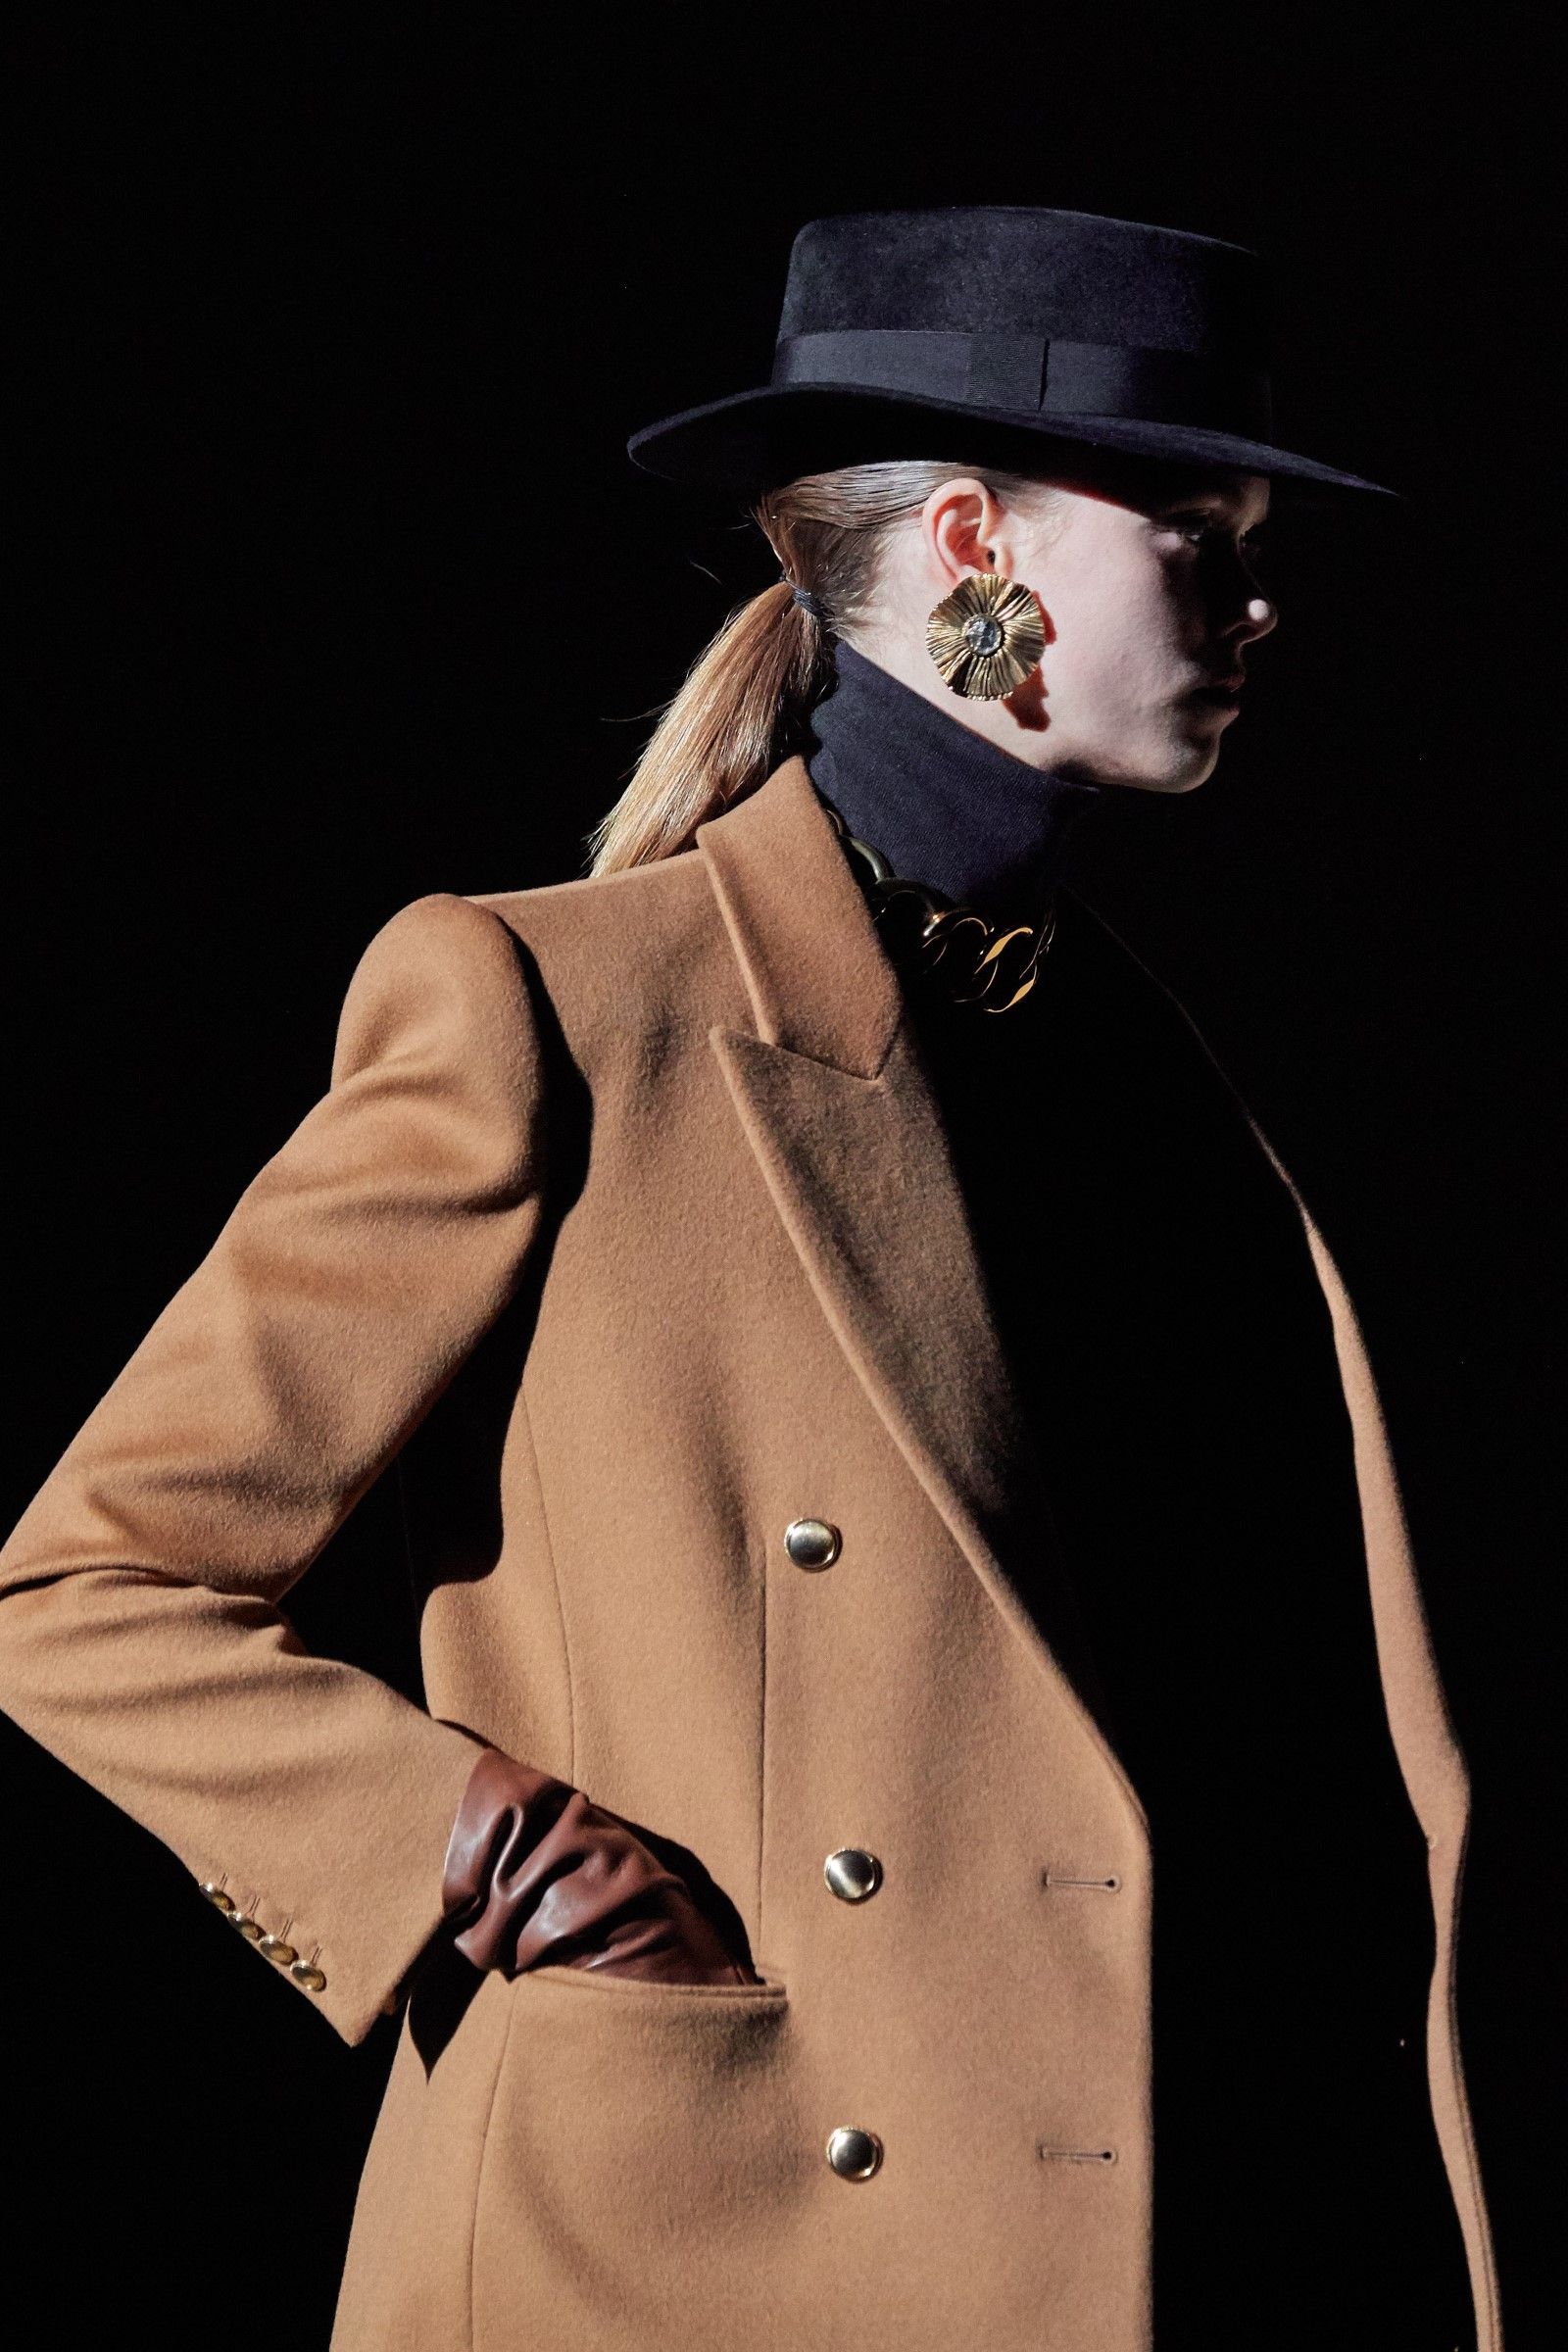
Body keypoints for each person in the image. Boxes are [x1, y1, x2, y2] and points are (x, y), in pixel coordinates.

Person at [0, 207, 1499, 2350]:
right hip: (711, 2249)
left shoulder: (1136, 1074)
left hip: (1202, 2228)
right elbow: (90, 1582)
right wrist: (485, 1855)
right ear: (973, 540)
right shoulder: (549, 1006)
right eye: (1193, 534)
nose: (1256, 599)